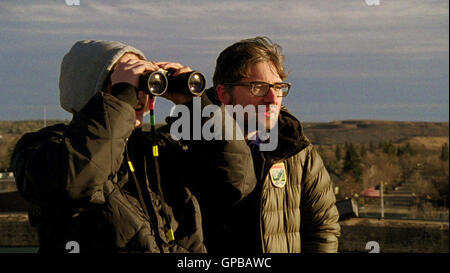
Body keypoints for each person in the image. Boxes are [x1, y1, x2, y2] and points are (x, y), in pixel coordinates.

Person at [11, 40, 208, 253]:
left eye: (142, 84)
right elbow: (76, 181)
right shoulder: (43, 147)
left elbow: (236, 178)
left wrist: (197, 107)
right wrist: (121, 99)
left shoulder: (160, 148)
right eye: (128, 83)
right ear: (88, 87)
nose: (139, 96)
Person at [196, 36, 341, 253]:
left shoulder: (297, 150)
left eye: (279, 87)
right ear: (223, 93)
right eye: (258, 87)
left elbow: (323, 229)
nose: (273, 98)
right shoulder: (189, 146)